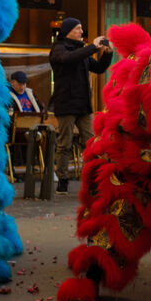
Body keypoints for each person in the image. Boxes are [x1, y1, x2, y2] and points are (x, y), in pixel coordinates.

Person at [49, 17, 113, 193]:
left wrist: (107, 53)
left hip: (83, 104)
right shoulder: (58, 48)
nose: (81, 31)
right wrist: (92, 47)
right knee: (65, 143)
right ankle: (63, 180)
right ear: (68, 31)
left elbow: (99, 68)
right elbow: (68, 59)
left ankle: (93, 180)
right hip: (65, 104)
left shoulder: (81, 51)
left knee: (91, 143)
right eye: (78, 28)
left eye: (81, 28)